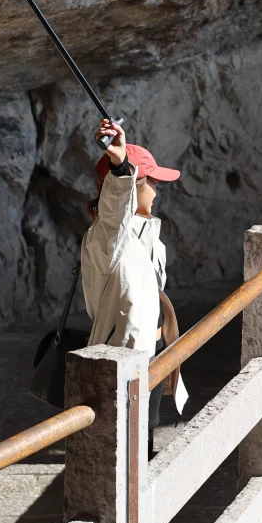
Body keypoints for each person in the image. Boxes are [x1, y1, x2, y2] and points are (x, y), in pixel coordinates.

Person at [81, 119, 187, 451]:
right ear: (136, 185)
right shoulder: (108, 238)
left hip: (148, 357)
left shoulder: (146, 236)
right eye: (152, 180)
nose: (158, 187)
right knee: (127, 449)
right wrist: (119, 166)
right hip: (123, 363)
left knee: (145, 440)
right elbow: (114, 212)